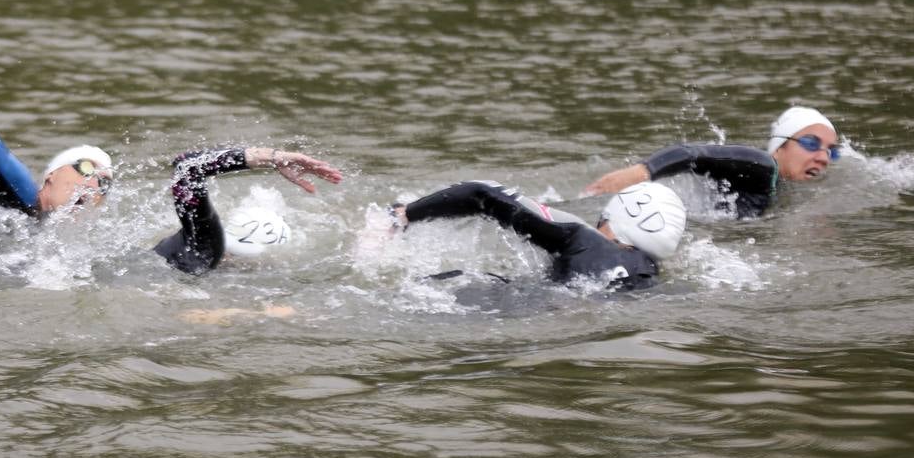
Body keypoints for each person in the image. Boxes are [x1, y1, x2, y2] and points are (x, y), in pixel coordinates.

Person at [391, 179, 687, 291]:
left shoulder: (584, 240)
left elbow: (481, 193)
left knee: (461, 279)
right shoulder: (649, 277)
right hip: (570, 317)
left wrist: (405, 214)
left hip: (530, 313)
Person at [582, 105, 842, 219]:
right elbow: (693, 153)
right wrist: (643, 170)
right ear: (780, 148)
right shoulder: (761, 166)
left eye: (832, 150)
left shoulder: (782, 184)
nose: (822, 156)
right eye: (810, 143)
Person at [154, 146, 343, 274]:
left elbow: (187, 167)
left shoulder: (182, 247)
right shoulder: (204, 254)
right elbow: (187, 167)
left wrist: (272, 157)